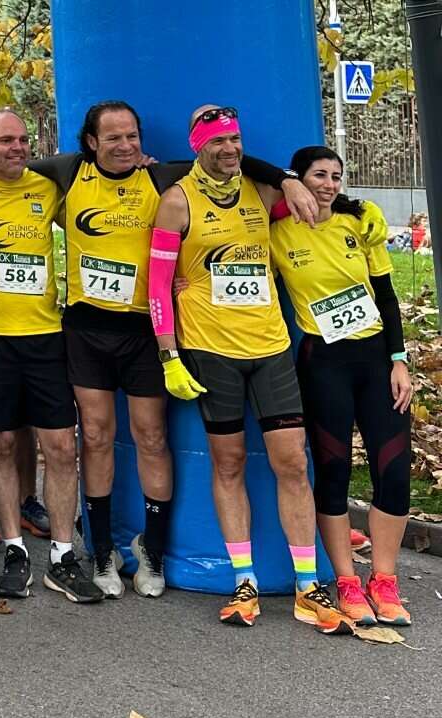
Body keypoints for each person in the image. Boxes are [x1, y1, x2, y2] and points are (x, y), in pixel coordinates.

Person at [0, 101, 309, 599]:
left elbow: (225, 158)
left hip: (143, 330)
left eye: (132, 137)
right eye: (113, 138)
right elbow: (6, 164)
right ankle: (99, 552)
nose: (125, 146)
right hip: (85, 330)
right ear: (92, 142)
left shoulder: (160, 177)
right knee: (95, 435)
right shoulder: (66, 172)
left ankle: (153, 552)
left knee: (151, 437)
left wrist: (289, 177)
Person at [148, 105, 350, 632]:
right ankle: (245, 580)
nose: (229, 149)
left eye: (235, 140)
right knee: (230, 463)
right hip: (211, 353)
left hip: (271, 349)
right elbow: (157, 287)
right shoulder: (176, 203)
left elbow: (310, 209)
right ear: (198, 146)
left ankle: (309, 586)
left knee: (291, 464)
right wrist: (169, 354)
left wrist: (288, 180)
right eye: (218, 142)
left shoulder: (262, 195)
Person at [0, 109, 101, 603]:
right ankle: (14, 548)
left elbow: (88, 172)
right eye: (5, 140)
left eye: (23, 140)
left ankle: (62, 553)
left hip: (45, 336)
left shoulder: (46, 188)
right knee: (3, 445)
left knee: (60, 447)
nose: (17, 148)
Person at [271, 146, 413, 626]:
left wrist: (399, 360)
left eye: (335, 176)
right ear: (298, 180)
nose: (328, 184)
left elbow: (388, 297)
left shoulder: (361, 222)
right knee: (333, 473)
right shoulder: (277, 232)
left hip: (376, 361)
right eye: (318, 175)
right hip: (322, 362)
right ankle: (347, 580)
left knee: (393, 471)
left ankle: (384, 580)